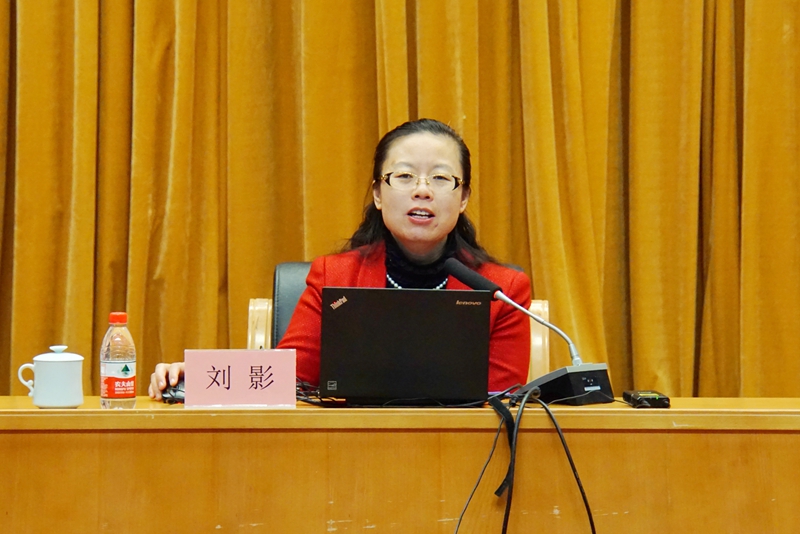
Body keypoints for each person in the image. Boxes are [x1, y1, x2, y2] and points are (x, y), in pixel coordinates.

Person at [149, 118, 531, 400]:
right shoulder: (334, 276)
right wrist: (199, 377)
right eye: (404, 176)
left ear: (463, 198)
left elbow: (500, 401)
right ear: (378, 194)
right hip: (348, 456)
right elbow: (288, 376)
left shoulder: (503, 292)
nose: (422, 191)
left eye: (441, 178)